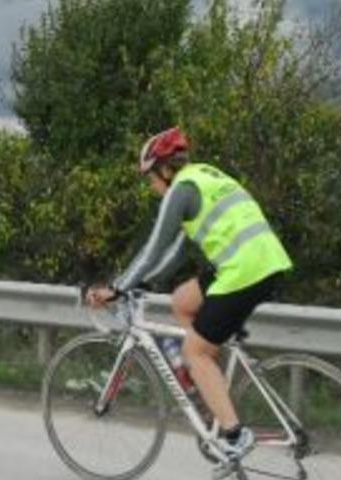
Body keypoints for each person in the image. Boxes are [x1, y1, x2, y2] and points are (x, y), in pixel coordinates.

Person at [86, 127, 292, 474]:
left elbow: (152, 250)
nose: (150, 186)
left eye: (149, 178)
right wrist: (146, 284)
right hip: (259, 262)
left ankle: (234, 435)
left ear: (164, 169)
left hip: (245, 269)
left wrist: (117, 288)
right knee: (182, 301)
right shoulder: (203, 177)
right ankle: (212, 391)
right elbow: (176, 252)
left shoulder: (180, 190)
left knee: (193, 352)